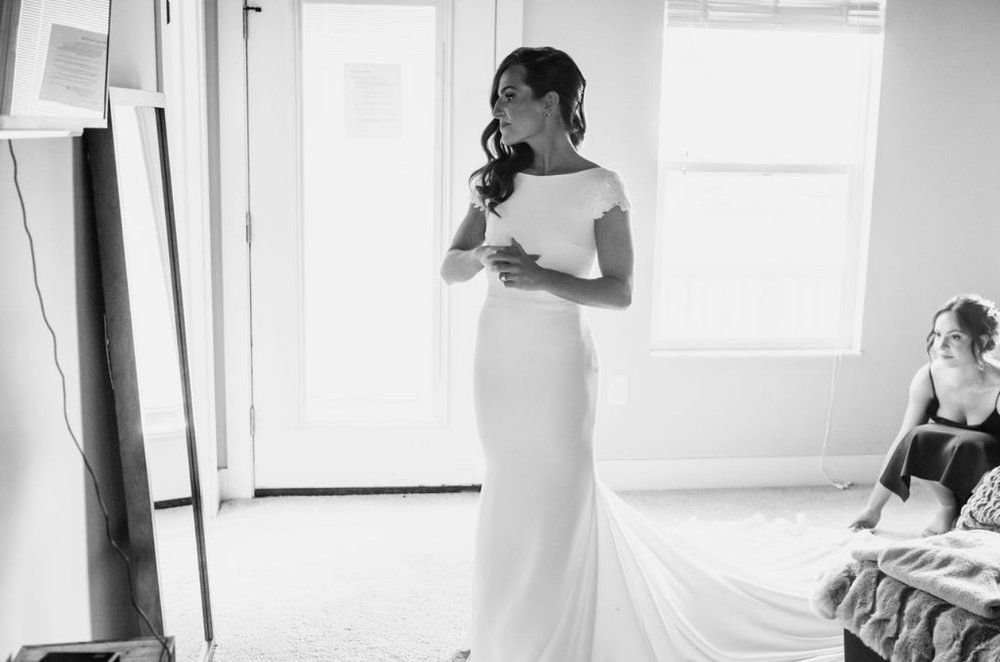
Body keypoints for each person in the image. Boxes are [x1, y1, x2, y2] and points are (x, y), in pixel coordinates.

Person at [441, 46, 850, 662]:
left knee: (556, 490)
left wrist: (538, 274)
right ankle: (502, 635)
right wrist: (481, 257)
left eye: (509, 95)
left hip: (556, 362)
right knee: (507, 487)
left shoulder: (601, 186)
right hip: (497, 357)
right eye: (496, 97)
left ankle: (552, 636)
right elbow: (449, 269)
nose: (497, 109)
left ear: (549, 103)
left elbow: (620, 290)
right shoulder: (495, 183)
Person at [849, 294, 1000, 535]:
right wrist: (873, 509)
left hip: (991, 492)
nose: (941, 346)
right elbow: (903, 443)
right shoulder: (928, 378)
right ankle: (948, 506)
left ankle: (978, 519)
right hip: (953, 486)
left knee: (974, 445)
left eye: (955, 337)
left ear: (981, 340)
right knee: (916, 437)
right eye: (938, 335)